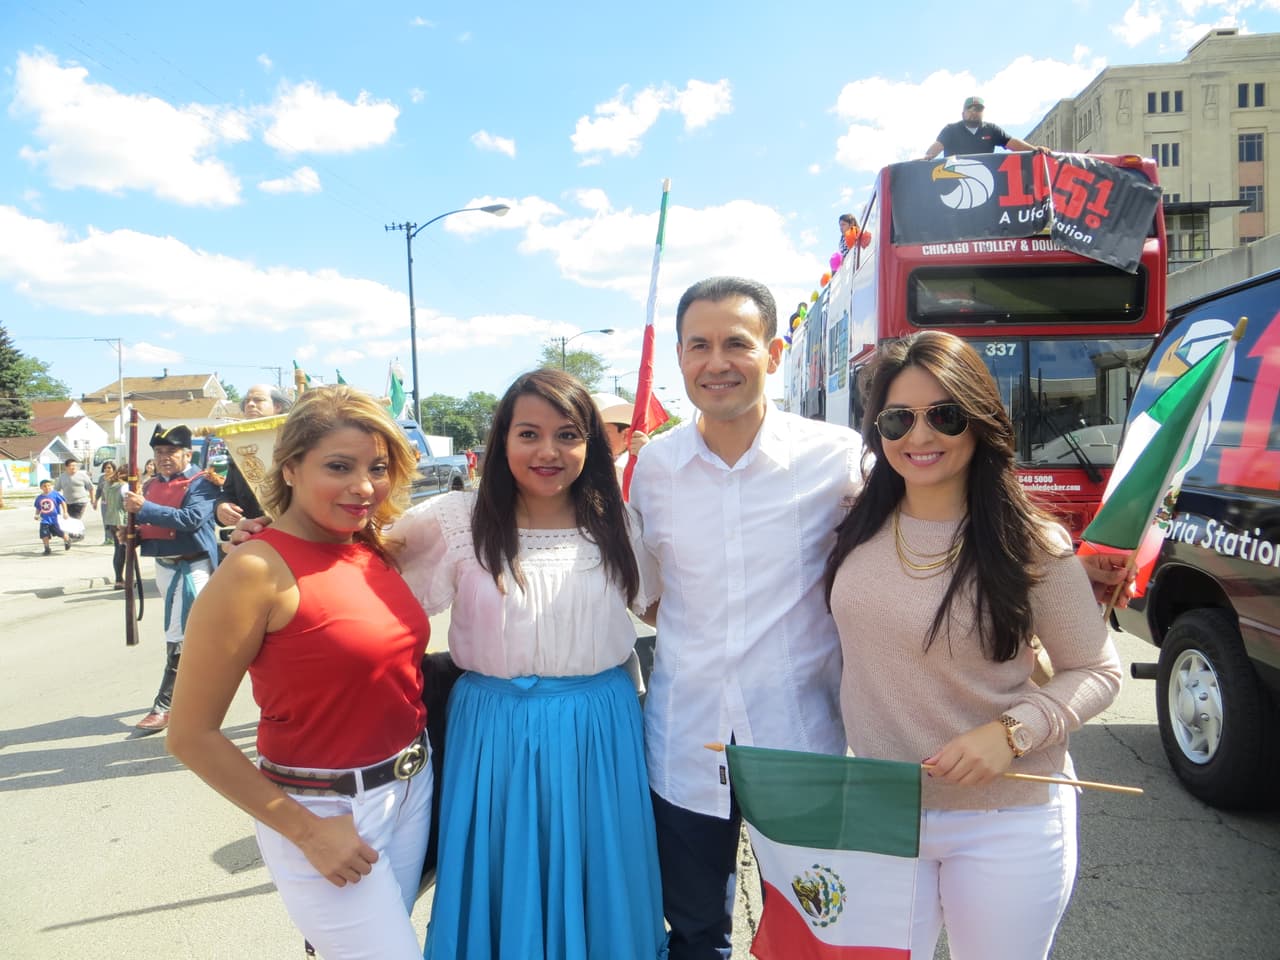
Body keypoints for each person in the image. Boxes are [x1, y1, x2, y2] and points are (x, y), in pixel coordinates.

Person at [824, 331, 1122, 960]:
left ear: (980, 422)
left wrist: (1011, 732)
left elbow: (1095, 669)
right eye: (898, 419)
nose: (920, 436)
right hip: (883, 809)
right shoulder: (852, 523)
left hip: (1005, 819)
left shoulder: (1030, 540)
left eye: (945, 415)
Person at [628, 276, 866, 960]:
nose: (716, 362)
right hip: (684, 741)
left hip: (801, 736)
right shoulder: (655, 467)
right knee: (696, 932)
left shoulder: (837, 457)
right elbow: (644, 589)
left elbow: (924, 530)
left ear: (773, 350)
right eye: (698, 345)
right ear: (679, 357)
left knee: (816, 930)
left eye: (736, 342)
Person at [395, 369, 667, 960]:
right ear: (502, 439)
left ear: (592, 443)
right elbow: (365, 575)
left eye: (568, 434)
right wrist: (278, 540)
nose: (548, 451)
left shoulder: (617, 522)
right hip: (493, 729)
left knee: (602, 872)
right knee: (501, 871)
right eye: (529, 434)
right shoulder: (455, 519)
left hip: (600, 729)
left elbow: (667, 608)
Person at [167, 386, 430, 959]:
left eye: (378, 468)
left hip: (413, 792)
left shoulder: (372, 547)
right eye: (339, 467)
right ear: (290, 467)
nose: (363, 486)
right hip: (323, 810)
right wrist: (308, 831)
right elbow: (189, 734)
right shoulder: (254, 569)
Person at [122, 424, 220, 733]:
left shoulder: (202, 483)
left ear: (187, 453)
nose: (164, 458)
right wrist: (132, 535)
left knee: (178, 634)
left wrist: (145, 508)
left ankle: (164, 705)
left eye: (171, 452)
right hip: (164, 566)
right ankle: (203, 688)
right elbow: (149, 525)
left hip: (193, 568)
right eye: (159, 452)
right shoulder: (150, 485)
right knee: (189, 635)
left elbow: (190, 520)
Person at [215, 384, 293, 529]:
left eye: (258, 400)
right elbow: (229, 491)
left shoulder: (293, 439)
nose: (250, 404)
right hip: (256, 533)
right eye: (247, 401)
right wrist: (222, 506)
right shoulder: (238, 444)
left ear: (277, 407)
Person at [923, 95, 1044, 160]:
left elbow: (1012, 143)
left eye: (978, 109)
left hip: (985, 178)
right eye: (970, 109)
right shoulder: (951, 130)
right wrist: (927, 157)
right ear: (963, 113)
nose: (974, 112)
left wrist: (1035, 150)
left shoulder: (991, 129)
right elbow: (936, 147)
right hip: (955, 179)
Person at [589, 392, 650, 483]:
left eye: (601, 433)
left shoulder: (641, 468)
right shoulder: (581, 467)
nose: (592, 438)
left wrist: (649, 456)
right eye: (589, 433)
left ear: (626, 435)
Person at [98, 463, 128, 587]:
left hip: (111, 519)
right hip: (122, 520)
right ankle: (121, 579)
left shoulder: (108, 484)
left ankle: (119, 578)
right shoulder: (124, 486)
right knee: (124, 550)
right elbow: (127, 504)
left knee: (118, 549)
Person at [54, 458, 95, 531]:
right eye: (71, 465)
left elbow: (91, 488)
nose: (74, 467)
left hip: (80, 501)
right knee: (69, 519)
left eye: (75, 465)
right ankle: (75, 534)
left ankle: (75, 535)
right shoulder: (62, 477)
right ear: (66, 467)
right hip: (67, 502)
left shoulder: (82, 475)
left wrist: (93, 499)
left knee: (75, 518)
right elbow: (56, 490)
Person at [34, 479, 71, 554]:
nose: (47, 487)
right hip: (44, 519)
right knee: (44, 534)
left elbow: (63, 503)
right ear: (41, 487)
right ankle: (47, 548)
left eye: (48, 486)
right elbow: (38, 507)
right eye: (44, 486)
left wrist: (65, 512)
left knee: (60, 533)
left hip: (55, 519)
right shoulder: (39, 498)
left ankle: (67, 540)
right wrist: (37, 515)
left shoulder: (55, 494)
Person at [96, 461, 120, 544]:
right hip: (104, 503)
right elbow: (99, 490)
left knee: (114, 521)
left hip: (114, 503)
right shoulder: (101, 478)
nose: (107, 469)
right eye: (105, 468)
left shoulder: (117, 478)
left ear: (113, 469)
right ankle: (108, 539)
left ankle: (116, 538)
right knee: (106, 521)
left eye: (109, 467)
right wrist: (95, 500)